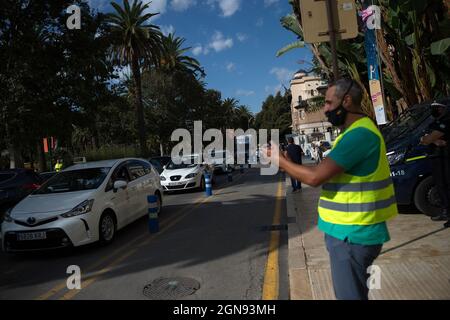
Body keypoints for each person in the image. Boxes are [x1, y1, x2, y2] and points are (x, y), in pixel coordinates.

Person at [263, 79, 398, 300]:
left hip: (352, 235)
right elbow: (324, 171)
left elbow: (315, 177)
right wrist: (289, 162)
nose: (325, 109)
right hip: (350, 232)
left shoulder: (359, 135)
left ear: (346, 101)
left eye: (328, 103)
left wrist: (280, 161)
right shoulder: (354, 132)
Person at [420, 100, 450, 227]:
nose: (435, 110)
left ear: (443, 109)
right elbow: (424, 138)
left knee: (446, 185)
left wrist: (430, 139)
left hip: (444, 158)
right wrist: (431, 139)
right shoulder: (436, 122)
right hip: (437, 157)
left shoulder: (446, 122)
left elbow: (427, 139)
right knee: (441, 186)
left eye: (437, 108)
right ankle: (446, 211)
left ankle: (447, 211)